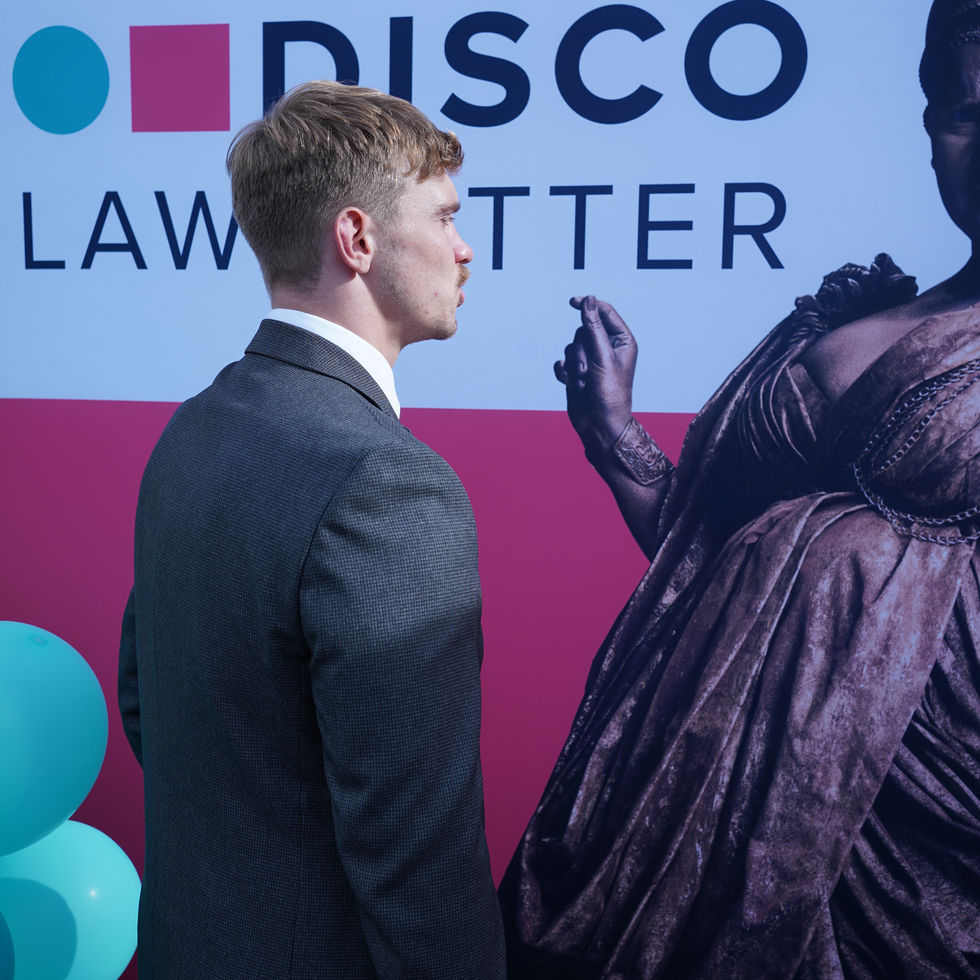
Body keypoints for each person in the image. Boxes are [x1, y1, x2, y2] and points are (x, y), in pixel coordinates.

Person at [499, 3, 980, 977]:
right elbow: (710, 574)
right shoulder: (856, 313)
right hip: (694, 813)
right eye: (959, 112)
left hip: (913, 845)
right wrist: (613, 434)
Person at [118, 81, 505, 979]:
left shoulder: (194, 426)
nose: (464, 248)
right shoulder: (389, 484)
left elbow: (149, 704)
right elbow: (418, 854)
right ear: (357, 238)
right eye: (445, 216)